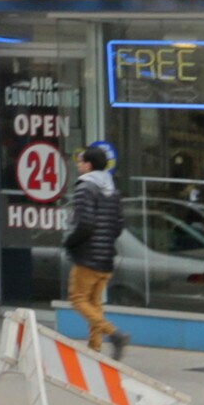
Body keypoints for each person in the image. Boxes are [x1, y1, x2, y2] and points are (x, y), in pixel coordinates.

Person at [63, 145, 129, 359]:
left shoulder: (85, 188)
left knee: (78, 299)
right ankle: (95, 347)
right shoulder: (112, 190)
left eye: (81, 162)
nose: (79, 165)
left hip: (87, 256)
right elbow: (118, 226)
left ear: (89, 165)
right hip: (106, 257)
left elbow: (85, 224)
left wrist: (69, 242)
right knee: (94, 303)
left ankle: (114, 334)